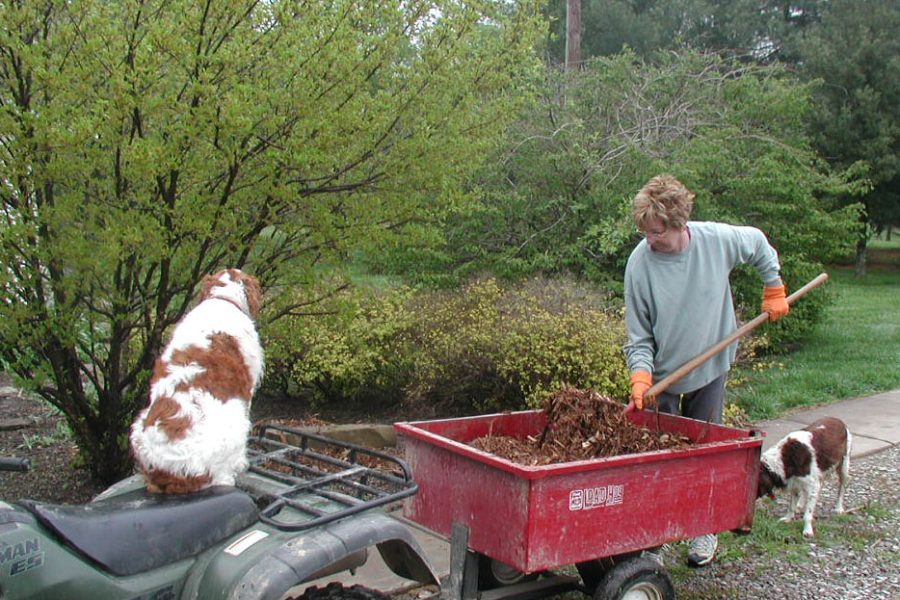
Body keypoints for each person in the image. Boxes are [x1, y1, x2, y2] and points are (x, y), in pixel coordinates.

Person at [622, 174, 789, 568]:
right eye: (645, 231)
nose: (650, 239)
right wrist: (641, 376)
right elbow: (639, 335)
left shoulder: (717, 240)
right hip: (663, 374)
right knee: (661, 456)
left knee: (704, 451)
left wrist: (774, 286)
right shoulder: (639, 265)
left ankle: (704, 528)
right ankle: (657, 535)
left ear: (679, 224)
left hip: (711, 363)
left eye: (657, 231)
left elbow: (759, 244)